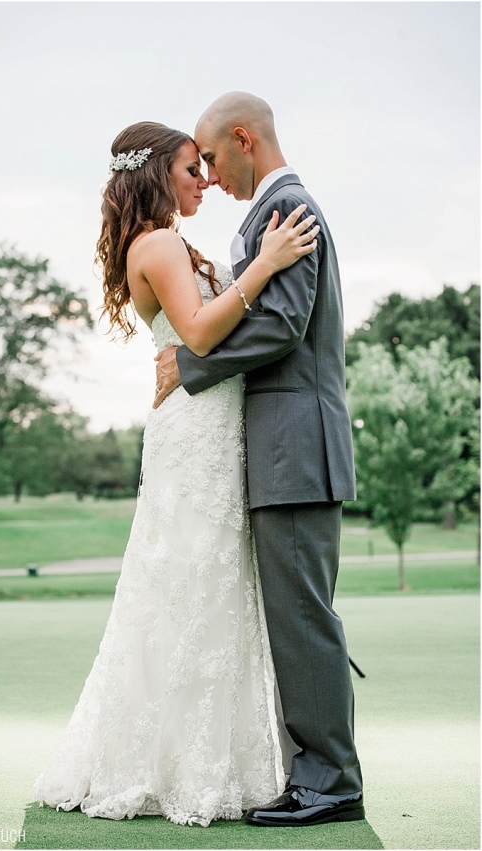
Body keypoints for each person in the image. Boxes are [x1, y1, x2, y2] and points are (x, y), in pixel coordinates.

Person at [33, 120, 319, 827]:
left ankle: (215, 758)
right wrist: (267, 261)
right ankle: (159, 765)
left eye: (205, 166)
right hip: (193, 431)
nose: (205, 180)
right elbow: (196, 332)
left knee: (214, 586)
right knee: (182, 583)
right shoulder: (156, 244)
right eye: (192, 169)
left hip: (218, 428)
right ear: (158, 171)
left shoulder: (174, 242)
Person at [153, 92, 365, 827]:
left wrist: (191, 364)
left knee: (303, 618)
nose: (209, 176)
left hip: (296, 449)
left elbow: (281, 323)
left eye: (212, 157)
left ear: (245, 138)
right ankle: (317, 771)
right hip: (286, 449)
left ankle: (331, 782)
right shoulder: (271, 213)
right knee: (296, 614)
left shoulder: (285, 209)